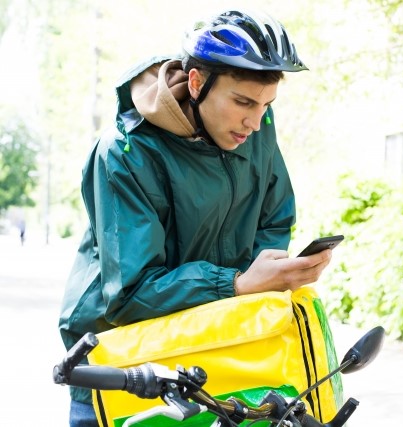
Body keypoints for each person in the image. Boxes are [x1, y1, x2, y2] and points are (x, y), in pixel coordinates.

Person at [59, 9, 333, 426]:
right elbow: (130, 293)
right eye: (242, 101)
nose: (255, 122)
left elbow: (274, 219)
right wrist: (237, 284)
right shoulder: (124, 153)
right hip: (126, 371)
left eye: (266, 104)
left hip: (214, 356)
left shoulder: (256, 128)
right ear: (196, 83)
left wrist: (270, 273)